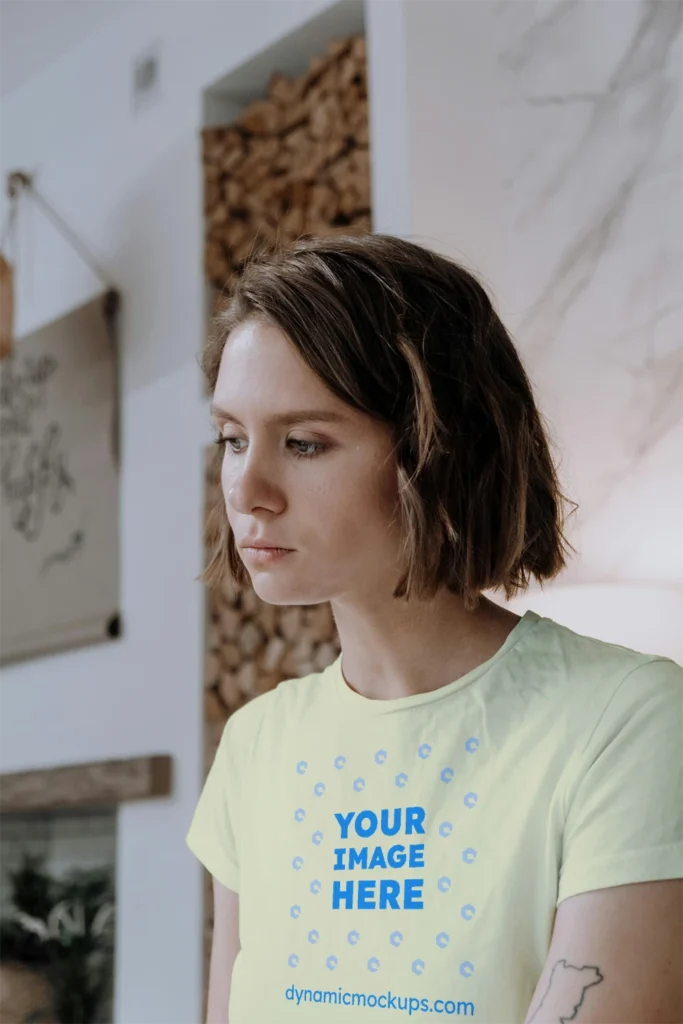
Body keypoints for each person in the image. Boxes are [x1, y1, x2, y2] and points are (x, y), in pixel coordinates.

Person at [186, 234, 683, 1024]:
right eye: (231, 439)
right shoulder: (255, 745)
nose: (247, 487)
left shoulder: (629, 722)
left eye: (304, 442)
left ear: (437, 449)